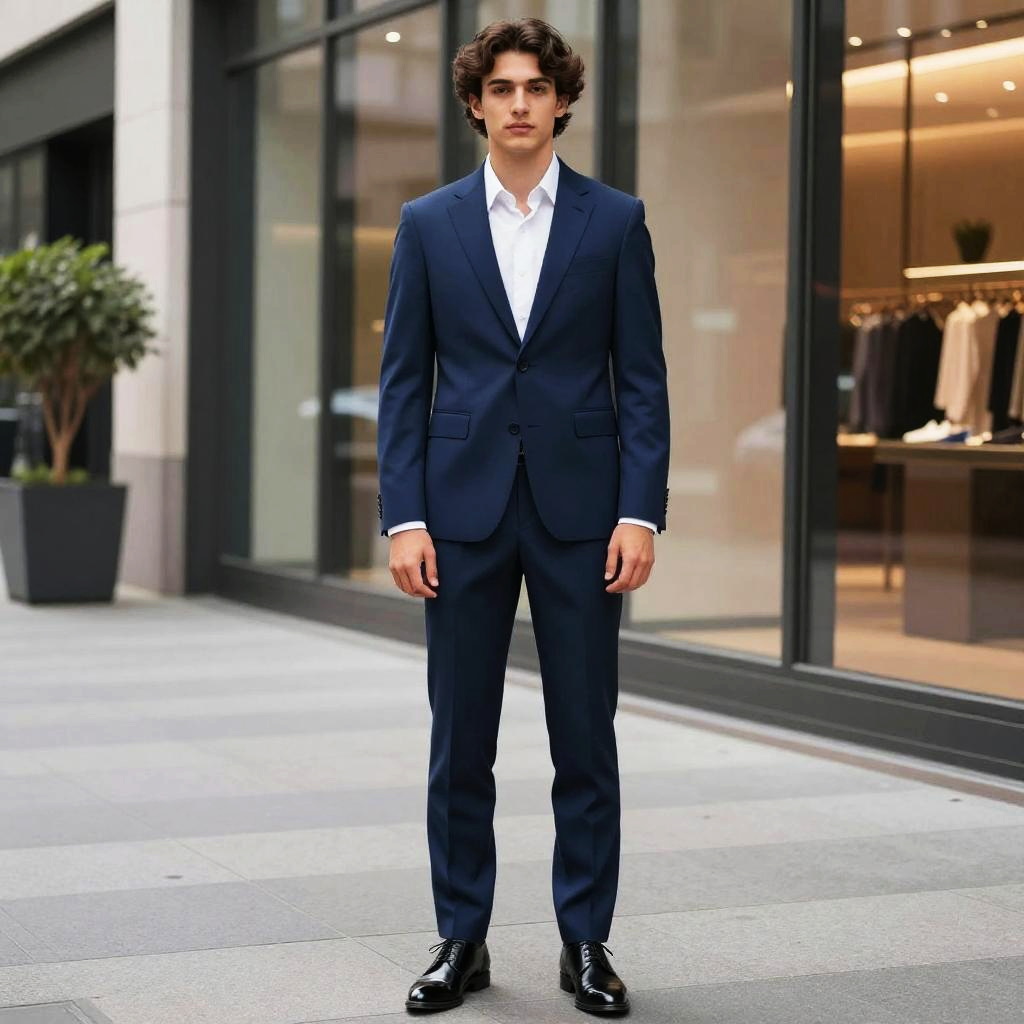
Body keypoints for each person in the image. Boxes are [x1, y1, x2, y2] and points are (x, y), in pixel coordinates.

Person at [376, 16, 669, 1016]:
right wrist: (402, 518)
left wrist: (640, 512)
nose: (516, 104)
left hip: (584, 516)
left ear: (560, 100)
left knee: (585, 738)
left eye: (533, 88)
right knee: (460, 741)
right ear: (474, 103)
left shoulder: (615, 221)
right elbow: (403, 384)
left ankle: (585, 942)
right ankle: (462, 938)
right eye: (499, 88)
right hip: (456, 517)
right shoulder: (428, 224)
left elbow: (642, 384)